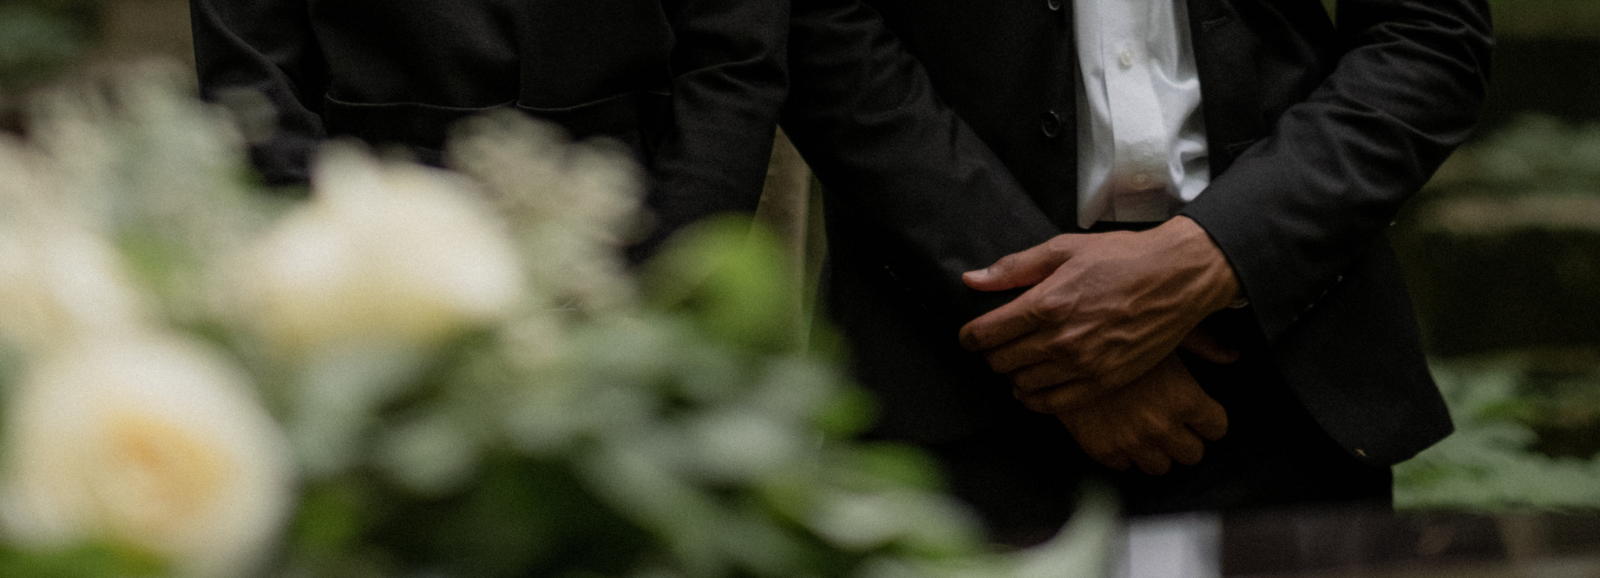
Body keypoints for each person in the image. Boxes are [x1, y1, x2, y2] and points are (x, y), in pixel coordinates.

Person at [782, 0, 1490, 544]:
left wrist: (1220, 250)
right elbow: (820, 33)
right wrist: (1050, 323)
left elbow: (1427, 33)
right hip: (951, 374)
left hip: (1284, 363)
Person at [189, 0, 789, 255]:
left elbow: (732, 60)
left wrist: (672, 267)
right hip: (365, 253)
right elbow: (250, 84)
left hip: (636, 223)